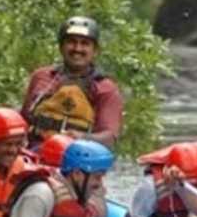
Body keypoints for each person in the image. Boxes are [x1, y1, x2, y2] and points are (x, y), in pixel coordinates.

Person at [21, 16, 124, 149]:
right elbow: (23, 120)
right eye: (71, 42)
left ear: (95, 50)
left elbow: (109, 137)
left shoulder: (106, 89)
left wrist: (82, 138)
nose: (77, 48)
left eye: (85, 43)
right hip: (36, 154)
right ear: (61, 47)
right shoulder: (41, 76)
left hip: (79, 160)